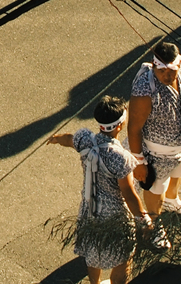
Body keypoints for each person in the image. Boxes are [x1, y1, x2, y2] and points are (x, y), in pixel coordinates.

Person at [46, 96, 150, 284]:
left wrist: (55, 138)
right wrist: (144, 219)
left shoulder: (85, 139)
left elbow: (69, 139)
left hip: (90, 208)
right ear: (119, 125)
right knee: (124, 256)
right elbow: (128, 194)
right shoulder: (120, 158)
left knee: (93, 251)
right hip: (114, 215)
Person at [128, 41, 181, 218]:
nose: (167, 76)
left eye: (171, 71)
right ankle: (154, 223)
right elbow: (134, 128)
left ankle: (172, 201)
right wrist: (139, 161)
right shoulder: (145, 89)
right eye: (162, 71)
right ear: (154, 65)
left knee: (178, 173)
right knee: (156, 188)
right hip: (158, 154)